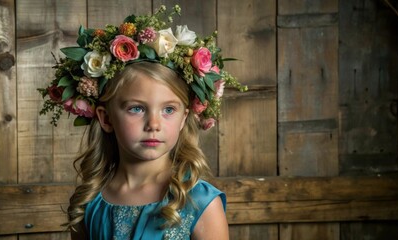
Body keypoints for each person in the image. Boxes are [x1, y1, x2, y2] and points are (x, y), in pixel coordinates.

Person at [38, 4, 246, 240]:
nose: (153, 124)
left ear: (183, 119)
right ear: (106, 119)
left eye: (168, 109)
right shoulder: (90, 200)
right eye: (136, 108)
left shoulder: (199, 203)